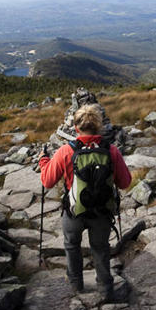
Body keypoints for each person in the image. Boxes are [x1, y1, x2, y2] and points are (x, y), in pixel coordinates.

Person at [39, 103, 131, 298]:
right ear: (98, 125)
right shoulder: (111, 150)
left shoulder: (66, 151)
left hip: (74, 212)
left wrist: (43, 161)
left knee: (72, 246)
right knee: (100, 248)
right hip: (102, 212)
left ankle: (76, 285)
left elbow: (47, 181)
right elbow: (125, 183)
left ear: (76, 127)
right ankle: (106, 289)